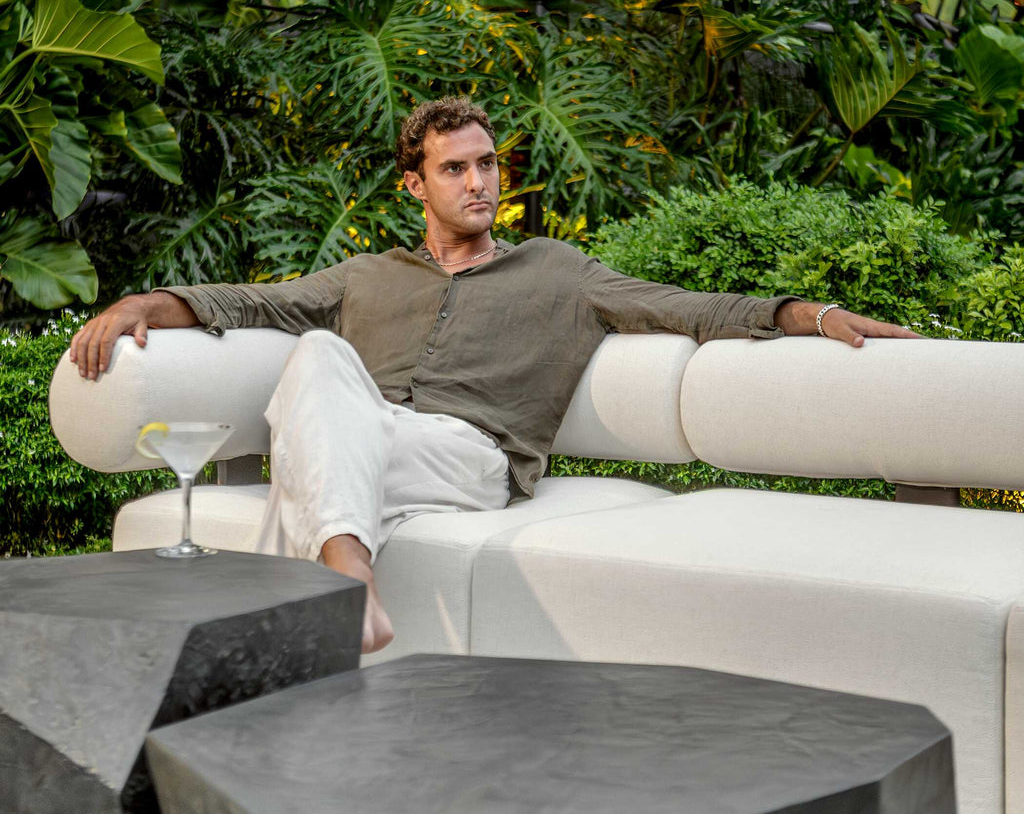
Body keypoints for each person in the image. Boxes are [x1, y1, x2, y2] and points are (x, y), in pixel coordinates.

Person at [70, 97, 919, 654]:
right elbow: (254, 302)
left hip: (468, 456)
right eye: (455, 168)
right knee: (319, 354)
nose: (478, 182)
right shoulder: (367, 275)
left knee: (311, 441)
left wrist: (805, 315)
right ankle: (342, 589)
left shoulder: (558, 271)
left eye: (487, 165)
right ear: (415, 184)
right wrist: (147, 302)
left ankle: (335, 592)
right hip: (367, 440)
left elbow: (683, 308)